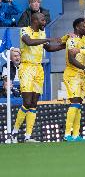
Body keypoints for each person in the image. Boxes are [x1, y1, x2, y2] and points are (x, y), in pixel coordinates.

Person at [11, 13, 66, 143]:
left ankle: (28, 136)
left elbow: (49, 48)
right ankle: (14, 132)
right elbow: (29, 42)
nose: (45, 21)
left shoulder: (42, 33)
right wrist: (47, 39)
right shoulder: (25, 30)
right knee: (27, 102)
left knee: (34, 103)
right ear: (35, 20)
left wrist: (65, 45)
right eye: (42, 20)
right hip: (27, 68)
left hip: (38, 69)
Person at [62, 18, 85, 142]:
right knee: (75, 102)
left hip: (81, 76)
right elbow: (71, 59)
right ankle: (66, 134)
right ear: (76, 27)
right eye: (82, 25)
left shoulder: (83, 40)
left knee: (78, 104)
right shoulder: (72, 40)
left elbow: (83, 57)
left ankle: (75, 134)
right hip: (71, 75)